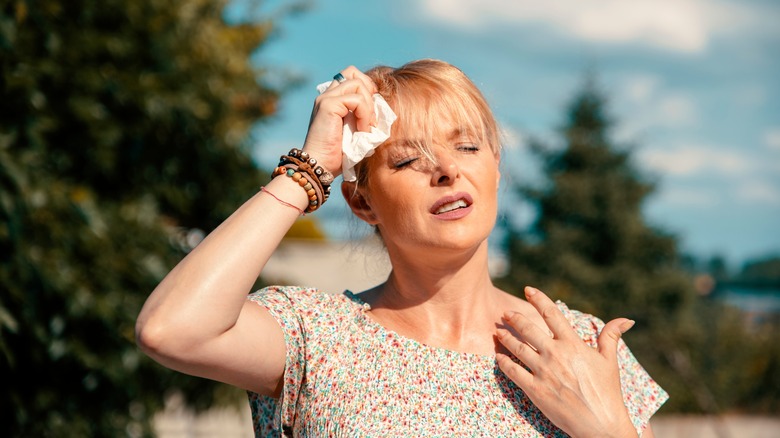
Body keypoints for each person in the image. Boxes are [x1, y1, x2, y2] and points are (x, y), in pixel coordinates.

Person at [136, 59, 668, 437]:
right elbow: (170, 329)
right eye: (409, 159)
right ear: (362, 202)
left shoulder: (578, 344)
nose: (447, 169)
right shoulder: (317, 336)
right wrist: (308, 171)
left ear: (496, 169)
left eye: (467, 146)